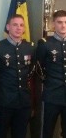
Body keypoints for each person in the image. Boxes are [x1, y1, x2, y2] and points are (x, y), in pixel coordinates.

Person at [0, 14, 35, 138]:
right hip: (4, 101)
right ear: (8, 27)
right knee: (0, 134)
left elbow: (30, 71)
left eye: (21, 25)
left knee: (20, 134)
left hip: (23, 102)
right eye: (15, 25)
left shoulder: (30, 47)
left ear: (24, 28)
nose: (18, 28)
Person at [36, 9, 66, 138]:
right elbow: (38, 67)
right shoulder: (45, 43)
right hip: (52, 95)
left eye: (65, 22)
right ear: (54, 24)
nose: (63, 25)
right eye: (59, 22)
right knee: (47, 130)